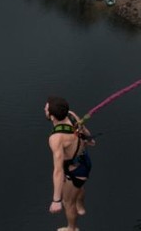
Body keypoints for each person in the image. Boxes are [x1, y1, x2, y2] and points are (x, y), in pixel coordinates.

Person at [46, 96, 94, 231]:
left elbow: (58, 170)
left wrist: (56, 200)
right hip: (85, 162)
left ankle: (71, 228)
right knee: (78, 186)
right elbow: (83, 129)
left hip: (75, 172)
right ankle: (81, 206)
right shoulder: (71, 115)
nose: (45, 109)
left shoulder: (56, 138)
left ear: (52, 116)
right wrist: (89, 139)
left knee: (68, 203)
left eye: (46, 108)